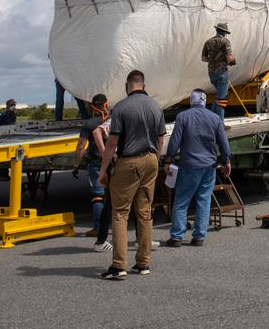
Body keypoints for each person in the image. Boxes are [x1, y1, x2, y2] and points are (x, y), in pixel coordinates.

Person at [97, 69, 166, 280]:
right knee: (144, 213)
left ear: (127, 86)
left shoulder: (121, 107)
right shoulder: (156, 106)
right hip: (151, 160)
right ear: (143, 86)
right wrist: (156, 157)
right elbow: (161, 138)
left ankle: (118, 265)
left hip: (129, 161)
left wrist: (103, 170)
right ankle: (143, 262)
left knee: (120, 213)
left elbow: (112, 142)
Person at [161, 89, 231, 248]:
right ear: (204, 101)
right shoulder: (215, 118)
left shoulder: (182, 117)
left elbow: (175, 141)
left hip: (189, 166)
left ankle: (177, 237)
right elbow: (223, 142)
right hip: (209, 167)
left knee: (181, 201)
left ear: (191, 101)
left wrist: (168, 160)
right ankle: (199, 236)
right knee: (204, 201)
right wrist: (227, 161)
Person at [72, 94, 112, 252]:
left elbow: (81, 146)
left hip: (96, 162)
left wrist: (76, 165)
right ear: (106, 105)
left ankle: (98, 228)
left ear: (92, 106)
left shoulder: (88, 124)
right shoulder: (113, 119)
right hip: (112, 162)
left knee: (98, 196)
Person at [200, 22, 236, 117]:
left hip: (211, 73)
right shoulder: (225, 41)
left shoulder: (208, 42)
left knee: (219, 96)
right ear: (224, 32)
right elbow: (229, 57)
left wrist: (213, 62)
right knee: (222, 98)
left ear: (217, 30)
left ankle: (212, 118)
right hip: (222, 73)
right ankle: (220, 122)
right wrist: (233, 60)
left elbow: (203, 58)